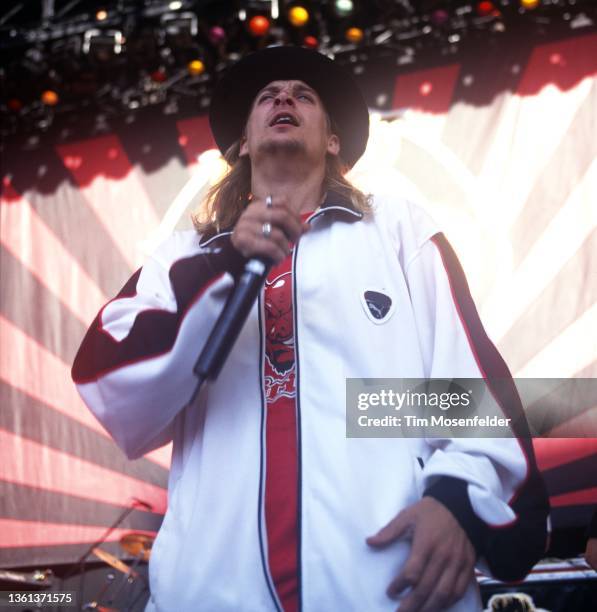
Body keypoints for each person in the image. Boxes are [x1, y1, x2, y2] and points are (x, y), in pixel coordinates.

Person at [72, 46, 549, 611]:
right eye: (267, 95)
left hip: (385, 588)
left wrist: (457, 501)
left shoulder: (396, 233)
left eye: (304, 94)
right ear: (243, 143)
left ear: (333, 141)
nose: (283, 97)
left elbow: (461, 385)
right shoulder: (184, 257)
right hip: (207, 594)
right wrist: (222, 267)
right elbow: (115, 387)